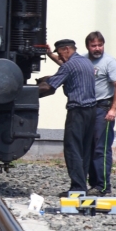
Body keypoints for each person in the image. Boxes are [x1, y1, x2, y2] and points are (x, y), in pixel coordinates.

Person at [47, 32, 116, 196]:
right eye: (93, 46)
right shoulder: (83, 60)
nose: (97, 49)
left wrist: (114, 109)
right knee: (87, 148)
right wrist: (50, 54)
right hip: (89, 108)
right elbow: (66, 65)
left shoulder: (109, 62)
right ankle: (87, 185)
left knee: (100, 148)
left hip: (103, 108)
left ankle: (102, 186)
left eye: (100, 45)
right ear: (87, 46)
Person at [38, 39, 96, 197]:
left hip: (77, 111)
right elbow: (68, 75)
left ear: (66, 50)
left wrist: (27, 92)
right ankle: (81, 186)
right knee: (84, 150)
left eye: (59, 53)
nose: (59, 57)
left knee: (73, 149)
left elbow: (50, 88)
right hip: (91, 111)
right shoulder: (85, 62)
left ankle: (77, 188)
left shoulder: (69, 65)